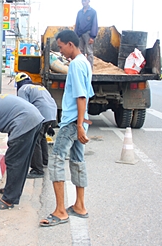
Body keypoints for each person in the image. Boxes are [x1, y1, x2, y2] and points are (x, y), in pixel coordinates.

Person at [40, 29, 94, 227]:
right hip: (79, 120)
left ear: (71, 45)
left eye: (61, 47)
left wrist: (79, 125)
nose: (61, 52)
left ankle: (60, 211)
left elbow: (81, 96)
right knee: (78, 160)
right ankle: (80, 205)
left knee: (56, 159)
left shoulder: (77, 65)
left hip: (72, 121)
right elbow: (87, 94)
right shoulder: (84, 63)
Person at [14, 72, 57, 179]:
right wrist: (50, 126)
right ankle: (44, 161)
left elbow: (24, 107)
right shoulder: (39, 87)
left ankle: (38, 169)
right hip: (51, 113)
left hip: (41, 114)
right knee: (42, 138)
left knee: (34, 141)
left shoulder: (23, 89)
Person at [74, 0, 98, 69]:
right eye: (82, 0)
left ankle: (90, 69)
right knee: (80, 52)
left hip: (88, 34)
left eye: (85, 0)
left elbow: (95, 24)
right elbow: (77, 24)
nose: (83, 2)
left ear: (89, 1)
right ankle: (82, 67)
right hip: (80, 34)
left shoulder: (93, 12)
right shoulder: (79, 12)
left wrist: (92, 37)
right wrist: (75, 35)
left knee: (89, 52)